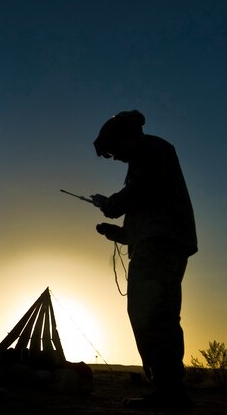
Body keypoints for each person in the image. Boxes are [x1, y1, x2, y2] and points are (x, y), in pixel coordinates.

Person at [90, 110, 197, 412]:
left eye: (113, 152)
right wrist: (120, 234)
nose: (116, 158)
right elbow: (150, 210)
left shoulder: (152, 151)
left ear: (124, 138)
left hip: (160, 247)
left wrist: (108, 204)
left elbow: (137, 194)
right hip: (160, 244)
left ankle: (169, 392)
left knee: (152, 316)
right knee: (157, 315)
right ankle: (168, 389)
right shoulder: (152, 155)